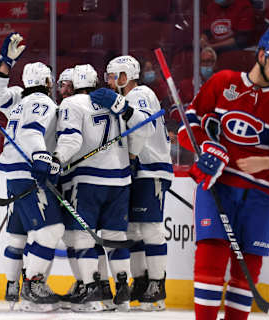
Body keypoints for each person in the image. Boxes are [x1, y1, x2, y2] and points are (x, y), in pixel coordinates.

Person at [177, 27, 269, 320]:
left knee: (246, 271)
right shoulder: (222, 81)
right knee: (210, 258)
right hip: (217, 184)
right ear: (262, 54)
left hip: (260, 195)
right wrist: (207, 149)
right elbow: (187, 126)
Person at [54, 63, 154, 312]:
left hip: (87, 181)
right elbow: (143, 131)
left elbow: (71, 139)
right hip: (120, 181)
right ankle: (121, 289)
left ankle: (91, 291)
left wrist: (55, 160)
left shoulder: (71, 104)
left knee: (82, 237)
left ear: (75, 84)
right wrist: (131, 156)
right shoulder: (115, 103)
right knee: (115, 237)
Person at [0, 33, 63, 312]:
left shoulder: (19, 100)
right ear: (47, 82)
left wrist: (4, 65)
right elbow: (32, 132)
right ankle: (34, 287)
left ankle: (12, 288)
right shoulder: (44, 103)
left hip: (13, 174)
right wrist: (42, 158)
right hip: (30, 174)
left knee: (18, 234)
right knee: (51, 229)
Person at [104, 55, 173, 311]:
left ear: (125, 75)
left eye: (113, 76)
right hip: (136, 170)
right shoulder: (126, 98)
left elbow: (142, 123)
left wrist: (133, 156)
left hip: (150, 169)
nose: (110, 81)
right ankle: (142, 283)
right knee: (132, 230)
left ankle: (157, 286)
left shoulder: (140, 93)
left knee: (151, 229)